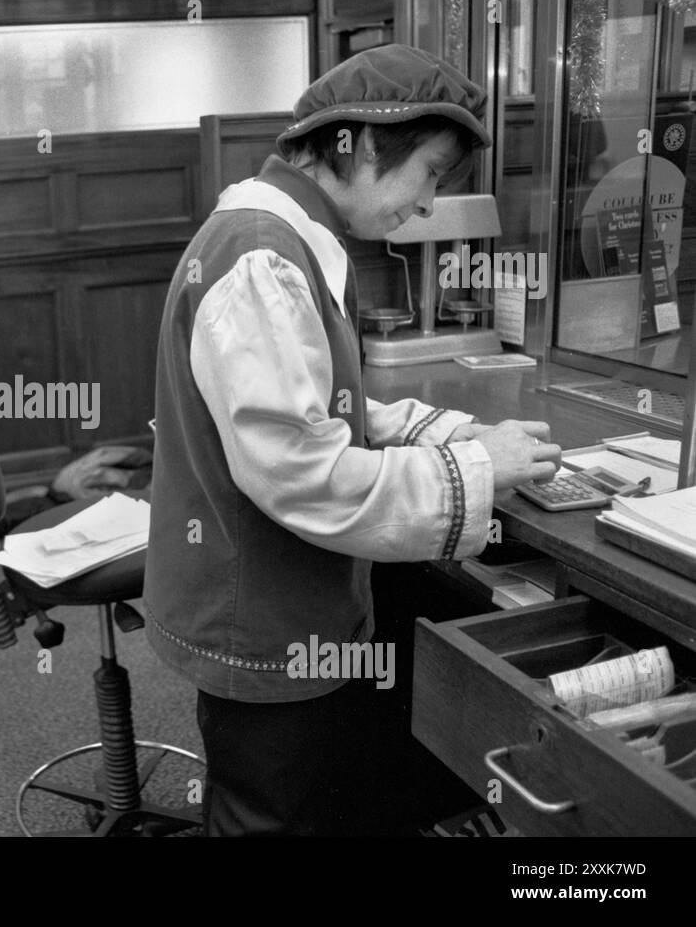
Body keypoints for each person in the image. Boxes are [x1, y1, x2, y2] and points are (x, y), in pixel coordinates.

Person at [144, 45, 563, 836]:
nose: (432, 204)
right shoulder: (262, 255)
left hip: (270, 612)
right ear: (366, 144)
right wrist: (473, 473)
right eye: (432, 174)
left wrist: (456, 431)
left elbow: (333, 411)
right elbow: (307, 474)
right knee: (273, 815)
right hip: (260, 627)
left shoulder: (285, 233)